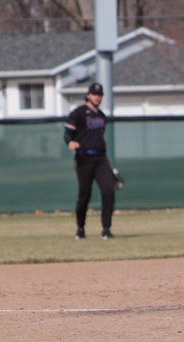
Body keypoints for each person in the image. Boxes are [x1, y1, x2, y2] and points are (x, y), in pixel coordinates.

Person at [64, 82, 116, 240]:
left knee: (109, 190)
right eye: (94, 94)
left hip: (100, 158)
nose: (97, 97)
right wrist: (70, 142)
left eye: (100, 95)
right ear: (88, 95)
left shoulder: (102, 117)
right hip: (83, 158)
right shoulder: (77, 114)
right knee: (84, 194)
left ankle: (106, 229)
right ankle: (80, 228)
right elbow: (67, 134)